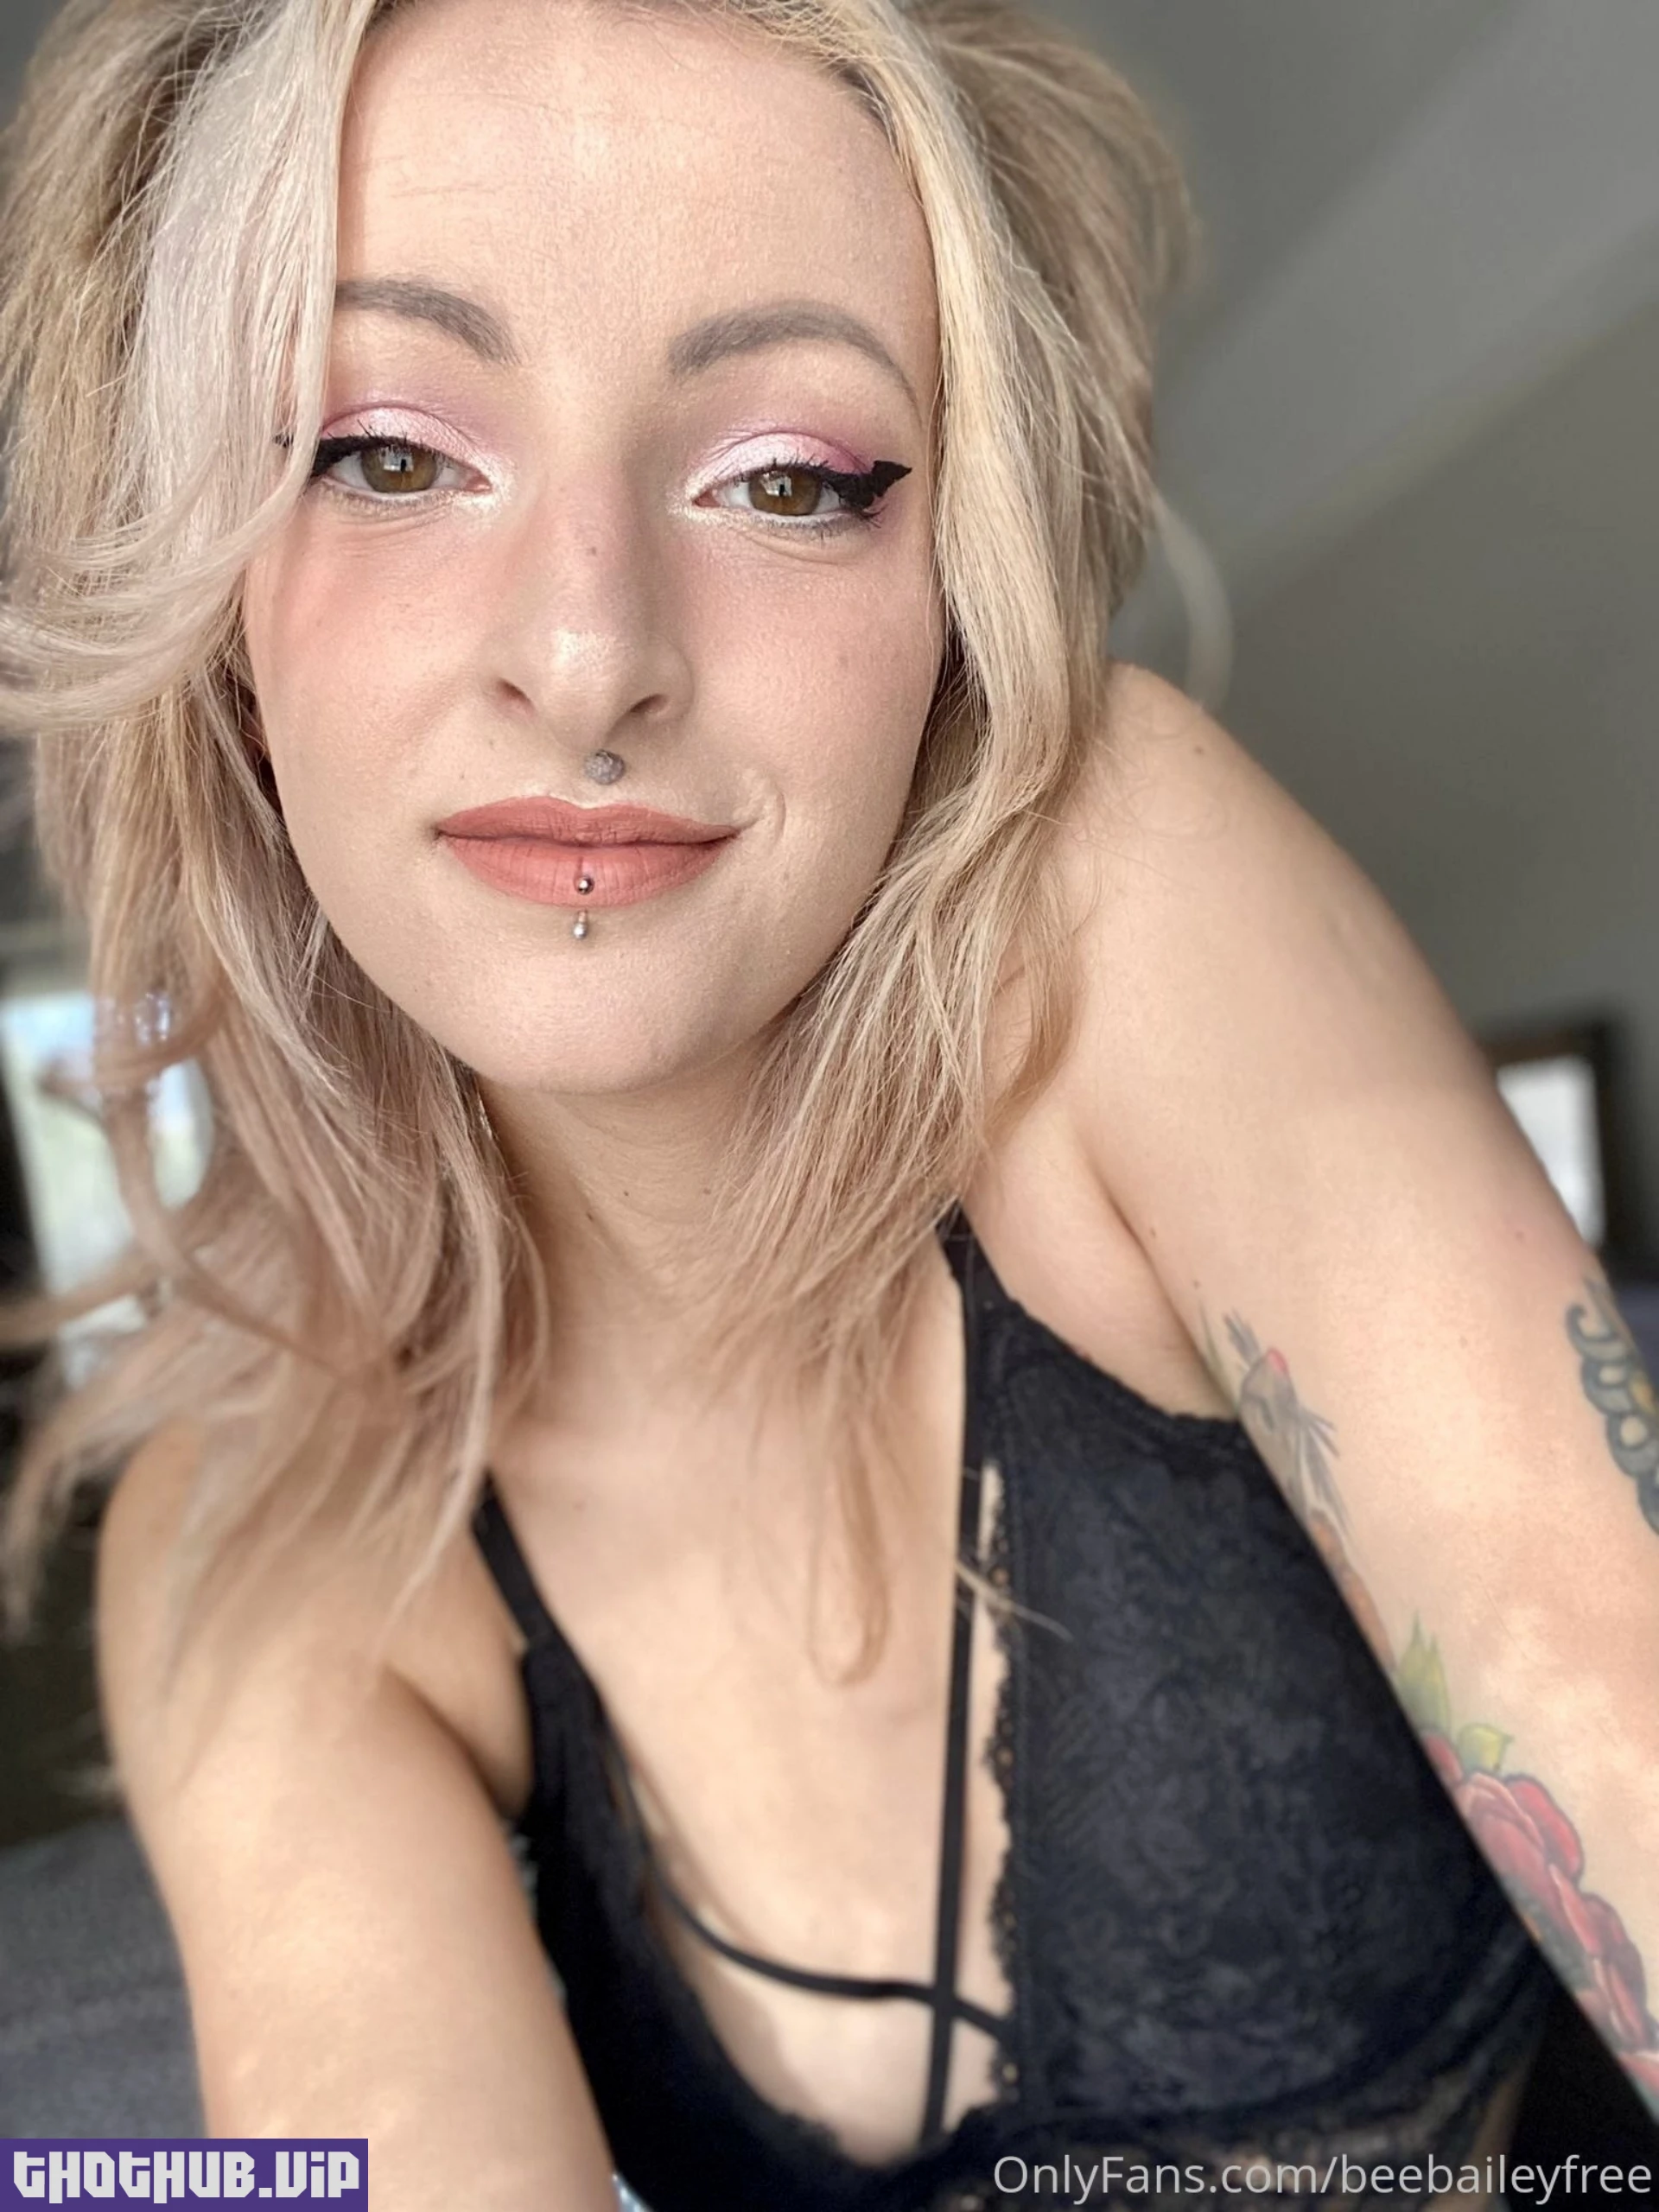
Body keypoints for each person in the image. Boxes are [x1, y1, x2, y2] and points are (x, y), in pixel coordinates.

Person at [0, 0, 1655, 2206]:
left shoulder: (1110, 911)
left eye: (789, 477)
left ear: (953, 575)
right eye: (387, 450)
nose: (589, 651)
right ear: (198, 567)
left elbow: (1602, 1685)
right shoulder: (265, 1522)